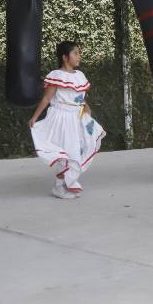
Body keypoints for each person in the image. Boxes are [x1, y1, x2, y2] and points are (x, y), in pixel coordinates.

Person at [29, 42, 106, 199]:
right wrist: (35, 117)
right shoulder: (56, 75)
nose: (79, 56)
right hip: (61, 118)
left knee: (79, 149)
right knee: (66, 153)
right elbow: (46, 98)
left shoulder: (79, 76)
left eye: (79, 53)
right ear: (65, 57)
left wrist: (87, 110)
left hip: (76, 117)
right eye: (75, 53)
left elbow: (80, 99)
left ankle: (64, 184)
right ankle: (59, 186)